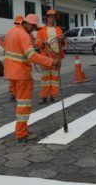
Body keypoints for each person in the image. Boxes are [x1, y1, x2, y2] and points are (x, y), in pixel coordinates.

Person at [4, 14, 60, 142]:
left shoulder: (11, 32)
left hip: (11, 73)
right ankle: (21, 134)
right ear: (27, 23)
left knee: (20, 104)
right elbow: (32, 56)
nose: (34, 30)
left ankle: (21, 130)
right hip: (22, 75)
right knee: (24, 105)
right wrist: (51, 62)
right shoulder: (23, 35)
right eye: (33, 27)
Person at [36, 9, 65, 104]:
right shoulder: (41, 31)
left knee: (55, 78)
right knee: (45, 78)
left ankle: (54, 95)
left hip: (56, 57)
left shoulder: (59, 29)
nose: (52, 19)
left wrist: (61, 40)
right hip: (45, 58)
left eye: (54, 17)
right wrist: (43, 43)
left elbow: (63, 43)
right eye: (50, 17)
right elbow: (38, 42)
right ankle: (44, 96)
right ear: (47, 18)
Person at [8, 15, 25, 101]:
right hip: (19, 59)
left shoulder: (10, 31)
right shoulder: (22, 32)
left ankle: (13, 93)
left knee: (12, 78)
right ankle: (17, 93)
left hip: (11, 59)